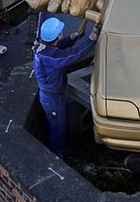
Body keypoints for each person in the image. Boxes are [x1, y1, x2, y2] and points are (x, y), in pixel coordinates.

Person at [33, 17, 98, 154]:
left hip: (51, 95)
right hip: (53, 99)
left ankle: (58, 148)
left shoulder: (42, 45)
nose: (62, 33)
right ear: (57, 36)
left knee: (59, 125)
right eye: (61, 32)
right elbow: (73, 54)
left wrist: (73, 36)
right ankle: (55, 153)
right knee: (58, 128)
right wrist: (91, 39)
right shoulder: (51, 57)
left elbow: (60, 45)